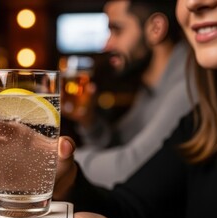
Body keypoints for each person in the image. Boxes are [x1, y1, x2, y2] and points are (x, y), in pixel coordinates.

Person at [0, 0, 217, 218]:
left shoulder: (186, 90)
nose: (194, 2)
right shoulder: (210, 118)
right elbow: (136, 211)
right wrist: (66, 178)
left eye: (116, 29)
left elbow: (127, 162)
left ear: (156, 29)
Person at [72, 0, 195, 189]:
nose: (107, 44)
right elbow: (118, 143)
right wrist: (88, 120)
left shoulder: (189, 83)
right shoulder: (151, 85)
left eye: (117, 30)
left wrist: (50, 157)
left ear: (156, 28)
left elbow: (128, 168)